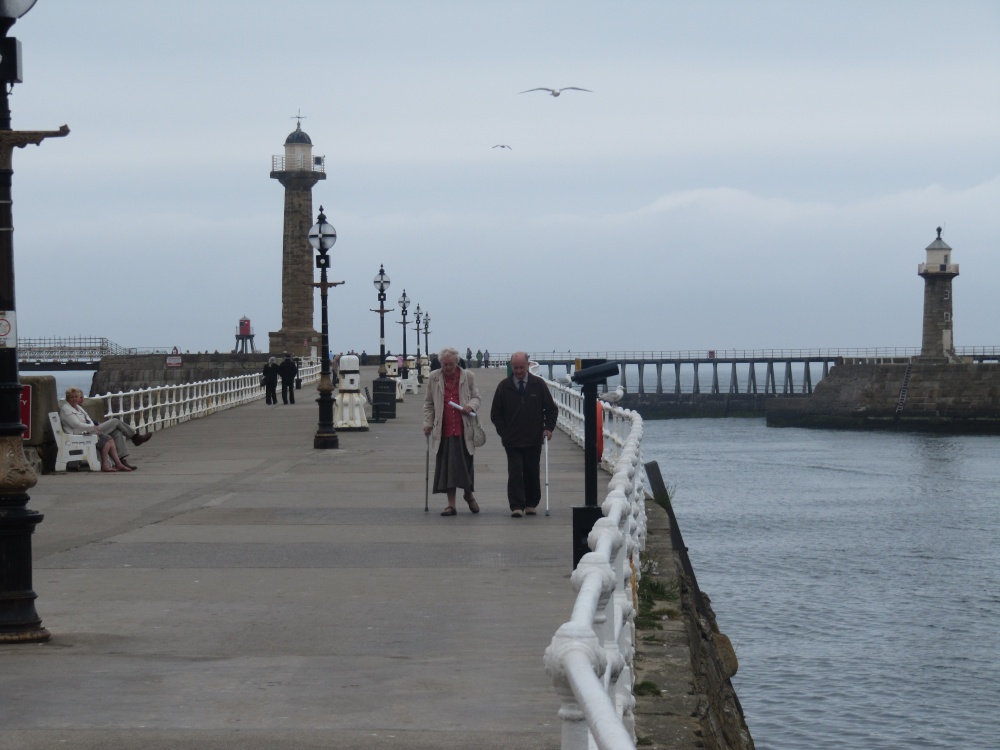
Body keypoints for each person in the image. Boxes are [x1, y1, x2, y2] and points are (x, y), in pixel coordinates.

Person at [490, 351, 557, 517]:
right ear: (511, 367)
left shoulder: (538, 384)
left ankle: (531, 503)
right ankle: (516, 505)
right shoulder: (504, 386)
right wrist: (503, 432)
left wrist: (548, 427)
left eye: (521, 367)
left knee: (532, 471)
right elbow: (495, 413)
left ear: (528, 366)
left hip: (534, 438)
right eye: (515, 368)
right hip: (512, 439)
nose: (518, 371)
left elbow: (551, 409)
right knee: (515, 472)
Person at [423, 347, 482, 516]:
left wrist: (470, 406)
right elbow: (428, 404)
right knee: (448, 469)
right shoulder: (434, 377)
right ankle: (451, 505)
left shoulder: (468, 376)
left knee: (464, 467)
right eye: (445, 364)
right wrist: (427, 423)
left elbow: (477, 397)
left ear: (457, 362)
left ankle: (468, 494)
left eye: (451, 364)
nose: (448, 368)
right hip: (444, 429)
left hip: (464, 429)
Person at [59, 387, 152, 472]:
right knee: (115, 421)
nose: (75, 399)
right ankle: (135, 437)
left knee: (116, 432)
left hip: (89, 430)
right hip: (81, 433)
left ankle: (121, 461)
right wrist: (91, 427)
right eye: (72, 397)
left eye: (76, 397)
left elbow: (87, 419)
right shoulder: (67, 409)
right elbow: (76, 424)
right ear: (67, 398)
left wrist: (92, 426)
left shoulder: (77, 407)